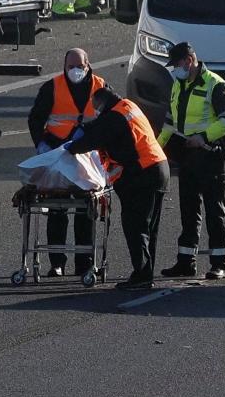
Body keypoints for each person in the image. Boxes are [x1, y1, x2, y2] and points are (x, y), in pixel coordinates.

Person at [67, 86, 169, 290]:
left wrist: (68, 147)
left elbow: (90, 141)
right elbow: (99, 127)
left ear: (103, 104)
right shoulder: (126, 106)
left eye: (95, 107)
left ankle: (141, 275)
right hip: (157, 169)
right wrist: (87, 127)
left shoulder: (114, 118)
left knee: (136, 226)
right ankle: (145, 273)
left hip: (142, 175)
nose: (94, 110)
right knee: (148, 227)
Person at [157, 42, 225, 280]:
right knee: (188, 209)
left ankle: (219, 263)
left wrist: (203, 137)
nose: (175, 69)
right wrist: (156, 149)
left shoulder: (215, 84)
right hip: (188, 154)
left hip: (213, 153)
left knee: (215, 209)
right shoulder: (178, 85)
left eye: (178, 64)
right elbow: (170, 122)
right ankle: (185, 262)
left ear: (189, 61)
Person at [27, 48, 108, 277]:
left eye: (79, 66)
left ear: (87, 65)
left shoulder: (100, 87)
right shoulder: (52, 87)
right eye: (70, 66)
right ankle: (57, 263)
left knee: (86, 208)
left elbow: (111, 120)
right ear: (64, 66)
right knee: (57, 209)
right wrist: (41, 145)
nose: (75, 71)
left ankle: (84, 263)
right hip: (58, 154)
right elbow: (35, 119)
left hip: (87, 157)